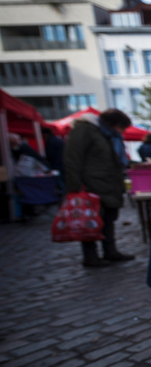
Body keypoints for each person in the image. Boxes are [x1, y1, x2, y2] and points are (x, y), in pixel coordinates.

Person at [64, 108, 134, 267]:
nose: (122, 131)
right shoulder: (84, 130)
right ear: (111, 123)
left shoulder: (108, 135)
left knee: (108, 220)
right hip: (91, 186)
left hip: (109, 184)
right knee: (90, 220)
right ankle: (91, 257)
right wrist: (75, 186)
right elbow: (72, 158)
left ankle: (110, 251)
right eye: (121, 127)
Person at [41, 127, 66, 191]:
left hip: (56, 163)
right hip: (62, 162)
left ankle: (62, 191)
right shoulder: (58, 140)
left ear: (45, 134)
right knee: (62, 178)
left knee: (59, 179)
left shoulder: (50, 141)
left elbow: (49, 154)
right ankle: (64, 191)